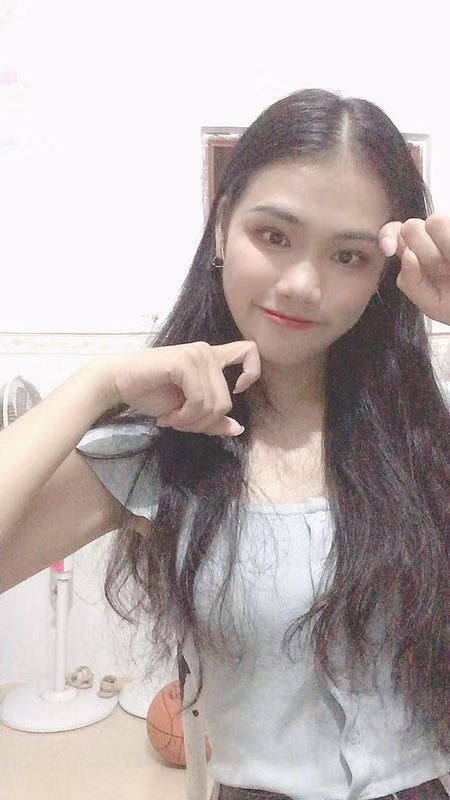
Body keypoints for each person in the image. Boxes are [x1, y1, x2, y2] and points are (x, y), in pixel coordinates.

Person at [0, 88, 449, 800]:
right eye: (274, 236)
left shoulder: (424, 438)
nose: (301, 284)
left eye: (348, 256)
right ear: (221, 231)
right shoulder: (159, 450)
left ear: (382, 278)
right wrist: (95, 384)